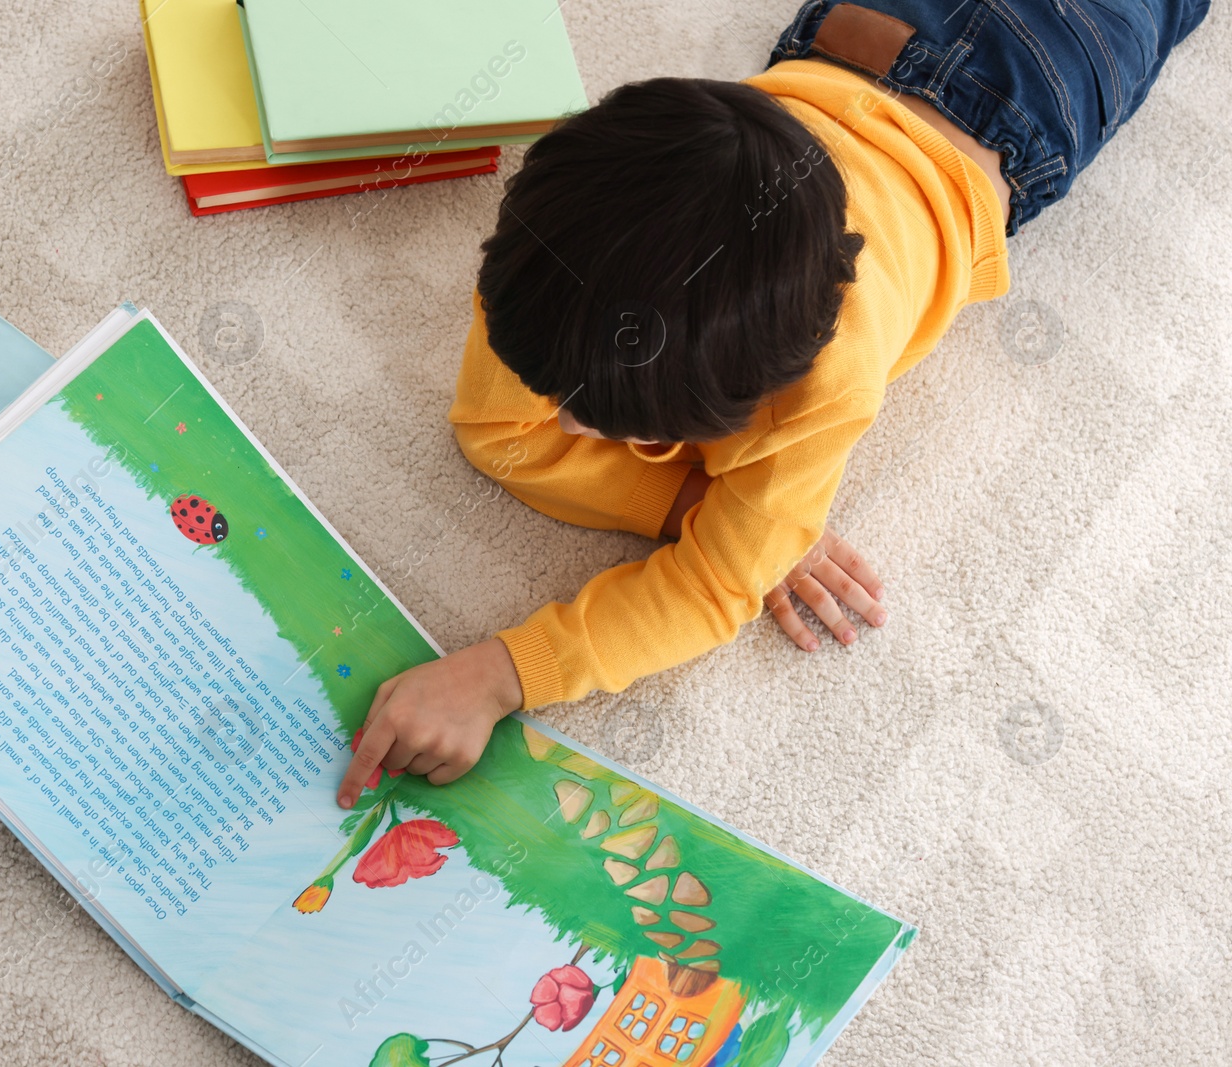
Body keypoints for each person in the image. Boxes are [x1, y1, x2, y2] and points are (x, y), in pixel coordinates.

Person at [337, 0, 1212, 808]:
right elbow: (496, 434)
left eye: (615, 422)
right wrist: (698, 502)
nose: (562, 425)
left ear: (756, 403)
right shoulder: (549, 261)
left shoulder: (825, 386)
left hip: (1042, 93)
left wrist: (502, 673)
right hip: (859, 37)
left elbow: (717, 586)